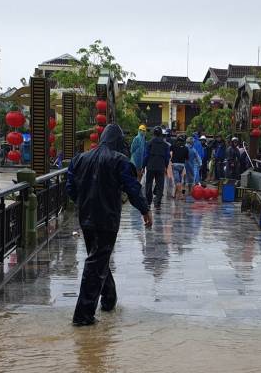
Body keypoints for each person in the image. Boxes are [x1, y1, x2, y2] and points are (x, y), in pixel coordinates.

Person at [66, 123, 153, 326]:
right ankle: (83, 315)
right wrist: (145, 210)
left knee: (97, 258)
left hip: (86, 218)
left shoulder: (79, 159)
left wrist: (84, 202)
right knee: (96, 262)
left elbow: (71, 188)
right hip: (107, 219)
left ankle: (109, 299)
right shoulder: (119, 161)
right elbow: (132, 188)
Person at [143, 126, 171, 208]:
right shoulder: (166, 145)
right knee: (160, 185)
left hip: (150, 166)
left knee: (148, 184)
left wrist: (143, 165)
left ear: (154, 134)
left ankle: (148, 201)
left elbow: (146, 155)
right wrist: (165, 166)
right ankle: (157, 202)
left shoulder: (149, 143)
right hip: (160, 167)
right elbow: (167, 157)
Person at [170, 134, 189, 200]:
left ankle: (181, 195)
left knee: (177, 181)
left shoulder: (173, 146)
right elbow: (187, 158)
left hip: (175, 164)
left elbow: (169, 152)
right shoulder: (186, 148)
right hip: (182, 165)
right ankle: (174, 194)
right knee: (179, 180)